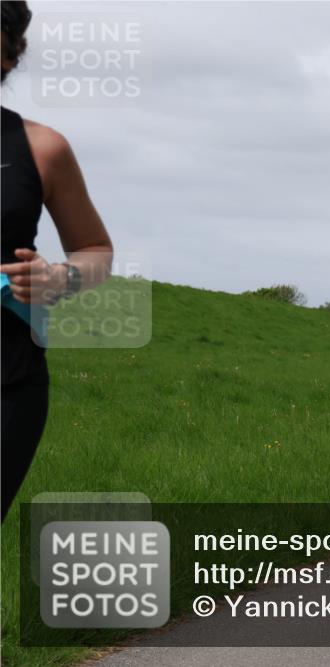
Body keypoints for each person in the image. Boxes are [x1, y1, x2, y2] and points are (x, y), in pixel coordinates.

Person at [1, 1, 114, 521]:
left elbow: (96, 252)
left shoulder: (42, 148)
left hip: (8, 382)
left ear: (8, 53)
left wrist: (56, 279)